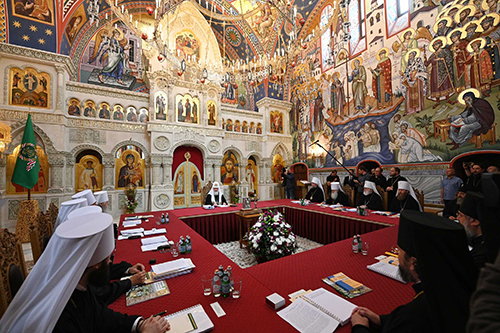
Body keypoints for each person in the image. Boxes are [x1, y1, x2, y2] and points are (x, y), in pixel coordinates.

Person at [0, 213, 170, 332]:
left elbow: (101, 316)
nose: (110, 263)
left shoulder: (76, 287)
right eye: (107, 260)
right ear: (95, 264)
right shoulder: (59, 316)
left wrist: (139, 324)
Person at [351, 211, 478, 333]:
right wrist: (382, 320)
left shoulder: (415, 315)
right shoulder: (454, 286)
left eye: (399, 251)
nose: (398, 257)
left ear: (413, 263)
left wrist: (359, 327)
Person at [457, 193, 488, 269]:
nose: (457, 218)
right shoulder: (474, 238)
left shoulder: (482, 254)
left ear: (475, 221)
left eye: (461, 216)